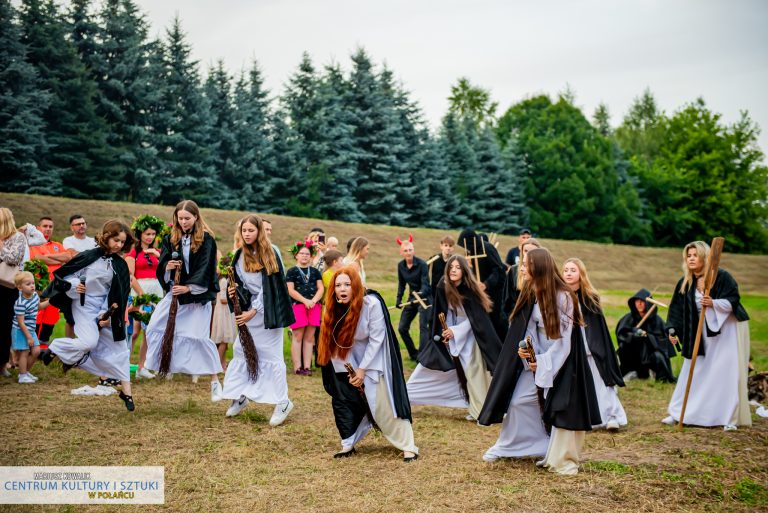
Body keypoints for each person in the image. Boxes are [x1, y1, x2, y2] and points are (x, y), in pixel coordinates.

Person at [479, 248, 600, 475]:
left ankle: (556, 453)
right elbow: (528, 328)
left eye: (526, 264)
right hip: (537, 358)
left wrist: (544, 363)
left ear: (539, 267)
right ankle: (513, 447)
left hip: (561, 361)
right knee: (518, 402)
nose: (522, 268)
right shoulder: (532, 291)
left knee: (558, 407)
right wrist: (529, 352)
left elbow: (565, 341)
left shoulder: (564, 296)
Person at [318, 266, 418, 461]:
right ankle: (348, 443)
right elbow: (335, 343)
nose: (342, 289)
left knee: (382, 404)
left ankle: (408, 445)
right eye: (338, 285)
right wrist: (349, 372)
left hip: (374, 361)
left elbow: (377, 339)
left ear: (355, 285)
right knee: (345, 401)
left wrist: (362, 370)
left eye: (347, 284)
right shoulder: (334, 307)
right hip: (347, 362)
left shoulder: (371, 303)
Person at [39, 220, 136, 411]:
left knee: (121, 350)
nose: (118, 245)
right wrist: (76, 285)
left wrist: (106, 314)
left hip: (106, 309)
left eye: (122, 242)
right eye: (116, 240)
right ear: (107, 237)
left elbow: (119, 293)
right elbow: (65, 277)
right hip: (82, 304)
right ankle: (55, 347)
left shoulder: (120, 264)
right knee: (88, 343)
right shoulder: (89, 256)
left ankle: (127, 393)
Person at [662, 241, 751, 431]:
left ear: (704, 256)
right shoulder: (685, 281)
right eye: (688, 255)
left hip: (724, 332)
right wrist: (672, 330)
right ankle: (680, 412)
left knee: (723, 373)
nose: (691, 258)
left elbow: (734, 299)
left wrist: (714, 303)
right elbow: (676, 310)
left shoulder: (722, 277)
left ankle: (728, 418)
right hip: (698, 334)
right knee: (693, 370)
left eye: (695, 254)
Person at [144, 200, 224, 401]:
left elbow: (206, 268)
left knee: (198, 337)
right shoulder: (170, 238)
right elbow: (162, 265)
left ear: (196, 217)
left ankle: (215, 381)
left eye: (187, 218)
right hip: (175, 295)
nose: (184, 222)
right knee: (155, 326)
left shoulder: (206, 240)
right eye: (180, 219)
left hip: (196, 297)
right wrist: (168, 267)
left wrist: (189, 287)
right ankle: (167, 363)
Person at [407, 255, 502, 420]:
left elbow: (474, 320)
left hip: (472, 334)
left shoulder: (469, 289)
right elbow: (443, 312)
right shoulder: (443, 286)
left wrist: (455, 331)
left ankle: (480, 411)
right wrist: (446, 331)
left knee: (474, 371)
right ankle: (405, 397)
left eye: (458, 267)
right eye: (451, 267)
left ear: (464, 271)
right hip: (452, 332)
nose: (454, 270)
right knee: (427, 367)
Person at [222, 215, 296, 426]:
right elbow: (239, 282)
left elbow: (269, 288)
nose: (247, 234)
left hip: (267, 313)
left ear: (259, 232)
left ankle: (282, 402)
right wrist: (234, 290)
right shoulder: (239, 255)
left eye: (251, 230)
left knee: (271, 357)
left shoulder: (269, 253)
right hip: (248, 312)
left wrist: (255, 311)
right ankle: (240, 395)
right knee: (240, 350)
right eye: (244, 230)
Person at [563, 258, 627, 431]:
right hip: (569, 346)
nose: (568, 273)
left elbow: (599, 328)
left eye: (573, 270)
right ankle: (586, 417)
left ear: (581, 274)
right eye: (566, 270)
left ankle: (611, 416)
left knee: (600, 381)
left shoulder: (590, 298)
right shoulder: (559, 295)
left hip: (591, 345)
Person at [125, 215, 165, 379]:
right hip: (139, 292)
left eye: (153, 234)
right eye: (147, 234)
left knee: (149, 331)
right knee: (133, 332)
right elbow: (130, 275)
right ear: (140, 234)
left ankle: (142, 367)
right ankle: (123, 365)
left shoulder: (158, 252)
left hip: (156, 291)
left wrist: (158, 255)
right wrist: (142, 295)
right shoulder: (133, 252)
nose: (150, 237)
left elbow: (164, 271)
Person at [615, 289, 675, 383]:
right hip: (633, 354)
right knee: (624, 348)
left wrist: (647, 336)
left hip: (650, 354)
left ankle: (655, 374)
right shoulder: (629, 318)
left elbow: (662, 341)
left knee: (658, 356)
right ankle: (632, 372)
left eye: (642, 301)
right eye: (637, 301)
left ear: (648, 304)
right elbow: (622, 335)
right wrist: (634, 334)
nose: (639, 304)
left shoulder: (657, 320)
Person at [456, 229, 507, 339]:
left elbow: (498, 269)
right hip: (482, 290)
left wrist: (486, 284)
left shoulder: (488, 248)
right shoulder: (472, 251)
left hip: (495, 289)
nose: (466, 248)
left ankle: (504, 343)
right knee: (485, 318)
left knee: (497, 318)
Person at [29, 217, 71, 347]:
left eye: (50, 227)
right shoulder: (31, 245)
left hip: (55, 287)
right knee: (37, 314)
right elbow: (36, 258)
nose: (48, 229)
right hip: (37, 287)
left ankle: (43, 344)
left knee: (52, 316)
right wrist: (58, 260)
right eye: (45, 226)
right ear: (38, 228)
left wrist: (46, 258)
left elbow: (68, 257)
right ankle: (32, 345)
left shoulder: (57, 245)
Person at [285, 240, 324, 375]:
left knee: (310, 337)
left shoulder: (314, 272)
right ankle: (297, 367)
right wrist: (305, 301)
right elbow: (290, 290)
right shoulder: (291, 271)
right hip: (298, 305)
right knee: (297, 336)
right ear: (296, 255)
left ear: (311, 256)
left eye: (307, 254)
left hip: (314, 305)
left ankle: (307, 366)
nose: (304, 256)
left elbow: (320, 288)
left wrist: (313, 300)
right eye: (301, 253)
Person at [0, 208, 27, 377]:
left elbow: (14, 258)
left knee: (3, 326)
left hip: (5, 288)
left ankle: (2, 363)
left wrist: (1, 246)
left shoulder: (17, 237)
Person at [394, 235, 430, 361]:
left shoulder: (422, 264)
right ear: (401, 252)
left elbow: (426, 284)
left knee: (423, 327)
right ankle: (414, 354)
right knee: (402, 328)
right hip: (412, 298)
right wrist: (399, 299)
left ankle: (423, 356)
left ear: (413, 250)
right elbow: (402, 284)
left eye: (410, 250)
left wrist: (420, 294)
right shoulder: (401, 266)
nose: (408, 253)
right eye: (405, 251)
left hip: (424, 298)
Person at [12, 271, 48, 383]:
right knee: (25, 351)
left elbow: (39, 307)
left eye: (33, 283)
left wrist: (50, 302)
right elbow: (21, 322)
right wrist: (28, 337)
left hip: (30, 329)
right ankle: (22, 376)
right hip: (20, 330)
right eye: (28, 284)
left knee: (36, 351)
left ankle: (25, 372)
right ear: (19, 287)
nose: (32, 286)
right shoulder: (20, 303)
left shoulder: (35, 296)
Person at [502, 237, 542, 318]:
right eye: (526, 251)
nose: (528, 254)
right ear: (521, 252)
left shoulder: (543, 270)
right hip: (517, 315)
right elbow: (507, 298)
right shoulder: (514, 270)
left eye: (532, 251)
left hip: (538, 316)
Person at [211, 252, 236, 372]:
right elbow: (222, 298)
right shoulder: (224, 281)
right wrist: (234, 298)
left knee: (225, 341)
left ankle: (223, 363)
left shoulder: (224, 279)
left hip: (225, 312)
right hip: (223, 312)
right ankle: (217, 364)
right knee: (223, 340)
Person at [428, 235, 455, 304]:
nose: (448, 248)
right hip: (435, 290)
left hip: (449, 291)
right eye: (446, 245)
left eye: (450, 246)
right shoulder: (434, 259)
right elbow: (424, 272)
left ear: (453, 248)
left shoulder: (454, 260)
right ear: (441, 246)